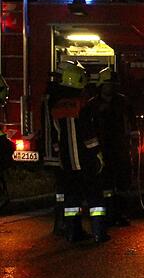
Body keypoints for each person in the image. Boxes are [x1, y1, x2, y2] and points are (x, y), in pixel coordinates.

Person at [49, 61, 109, 243]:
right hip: (86, 160)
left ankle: (72, 233)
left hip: (67, 162)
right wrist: (98, 154)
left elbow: (56, 135)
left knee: (71, 200)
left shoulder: (57, 105)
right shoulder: (82, 105)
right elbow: (88, 134)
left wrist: (60, 156)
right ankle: (99, 232)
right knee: (95, 198)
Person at [88, 67, 136, 226]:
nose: (111, 87)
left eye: (113, 84)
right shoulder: (93, 104)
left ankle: (122, 214)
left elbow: (132, 123)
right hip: (102, 150)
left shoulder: (123, 102)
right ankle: (107, 215)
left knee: (123, 184)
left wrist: (133, 142)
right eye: (108, 83)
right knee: (105, 185)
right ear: (101, 85)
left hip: (120, 148)